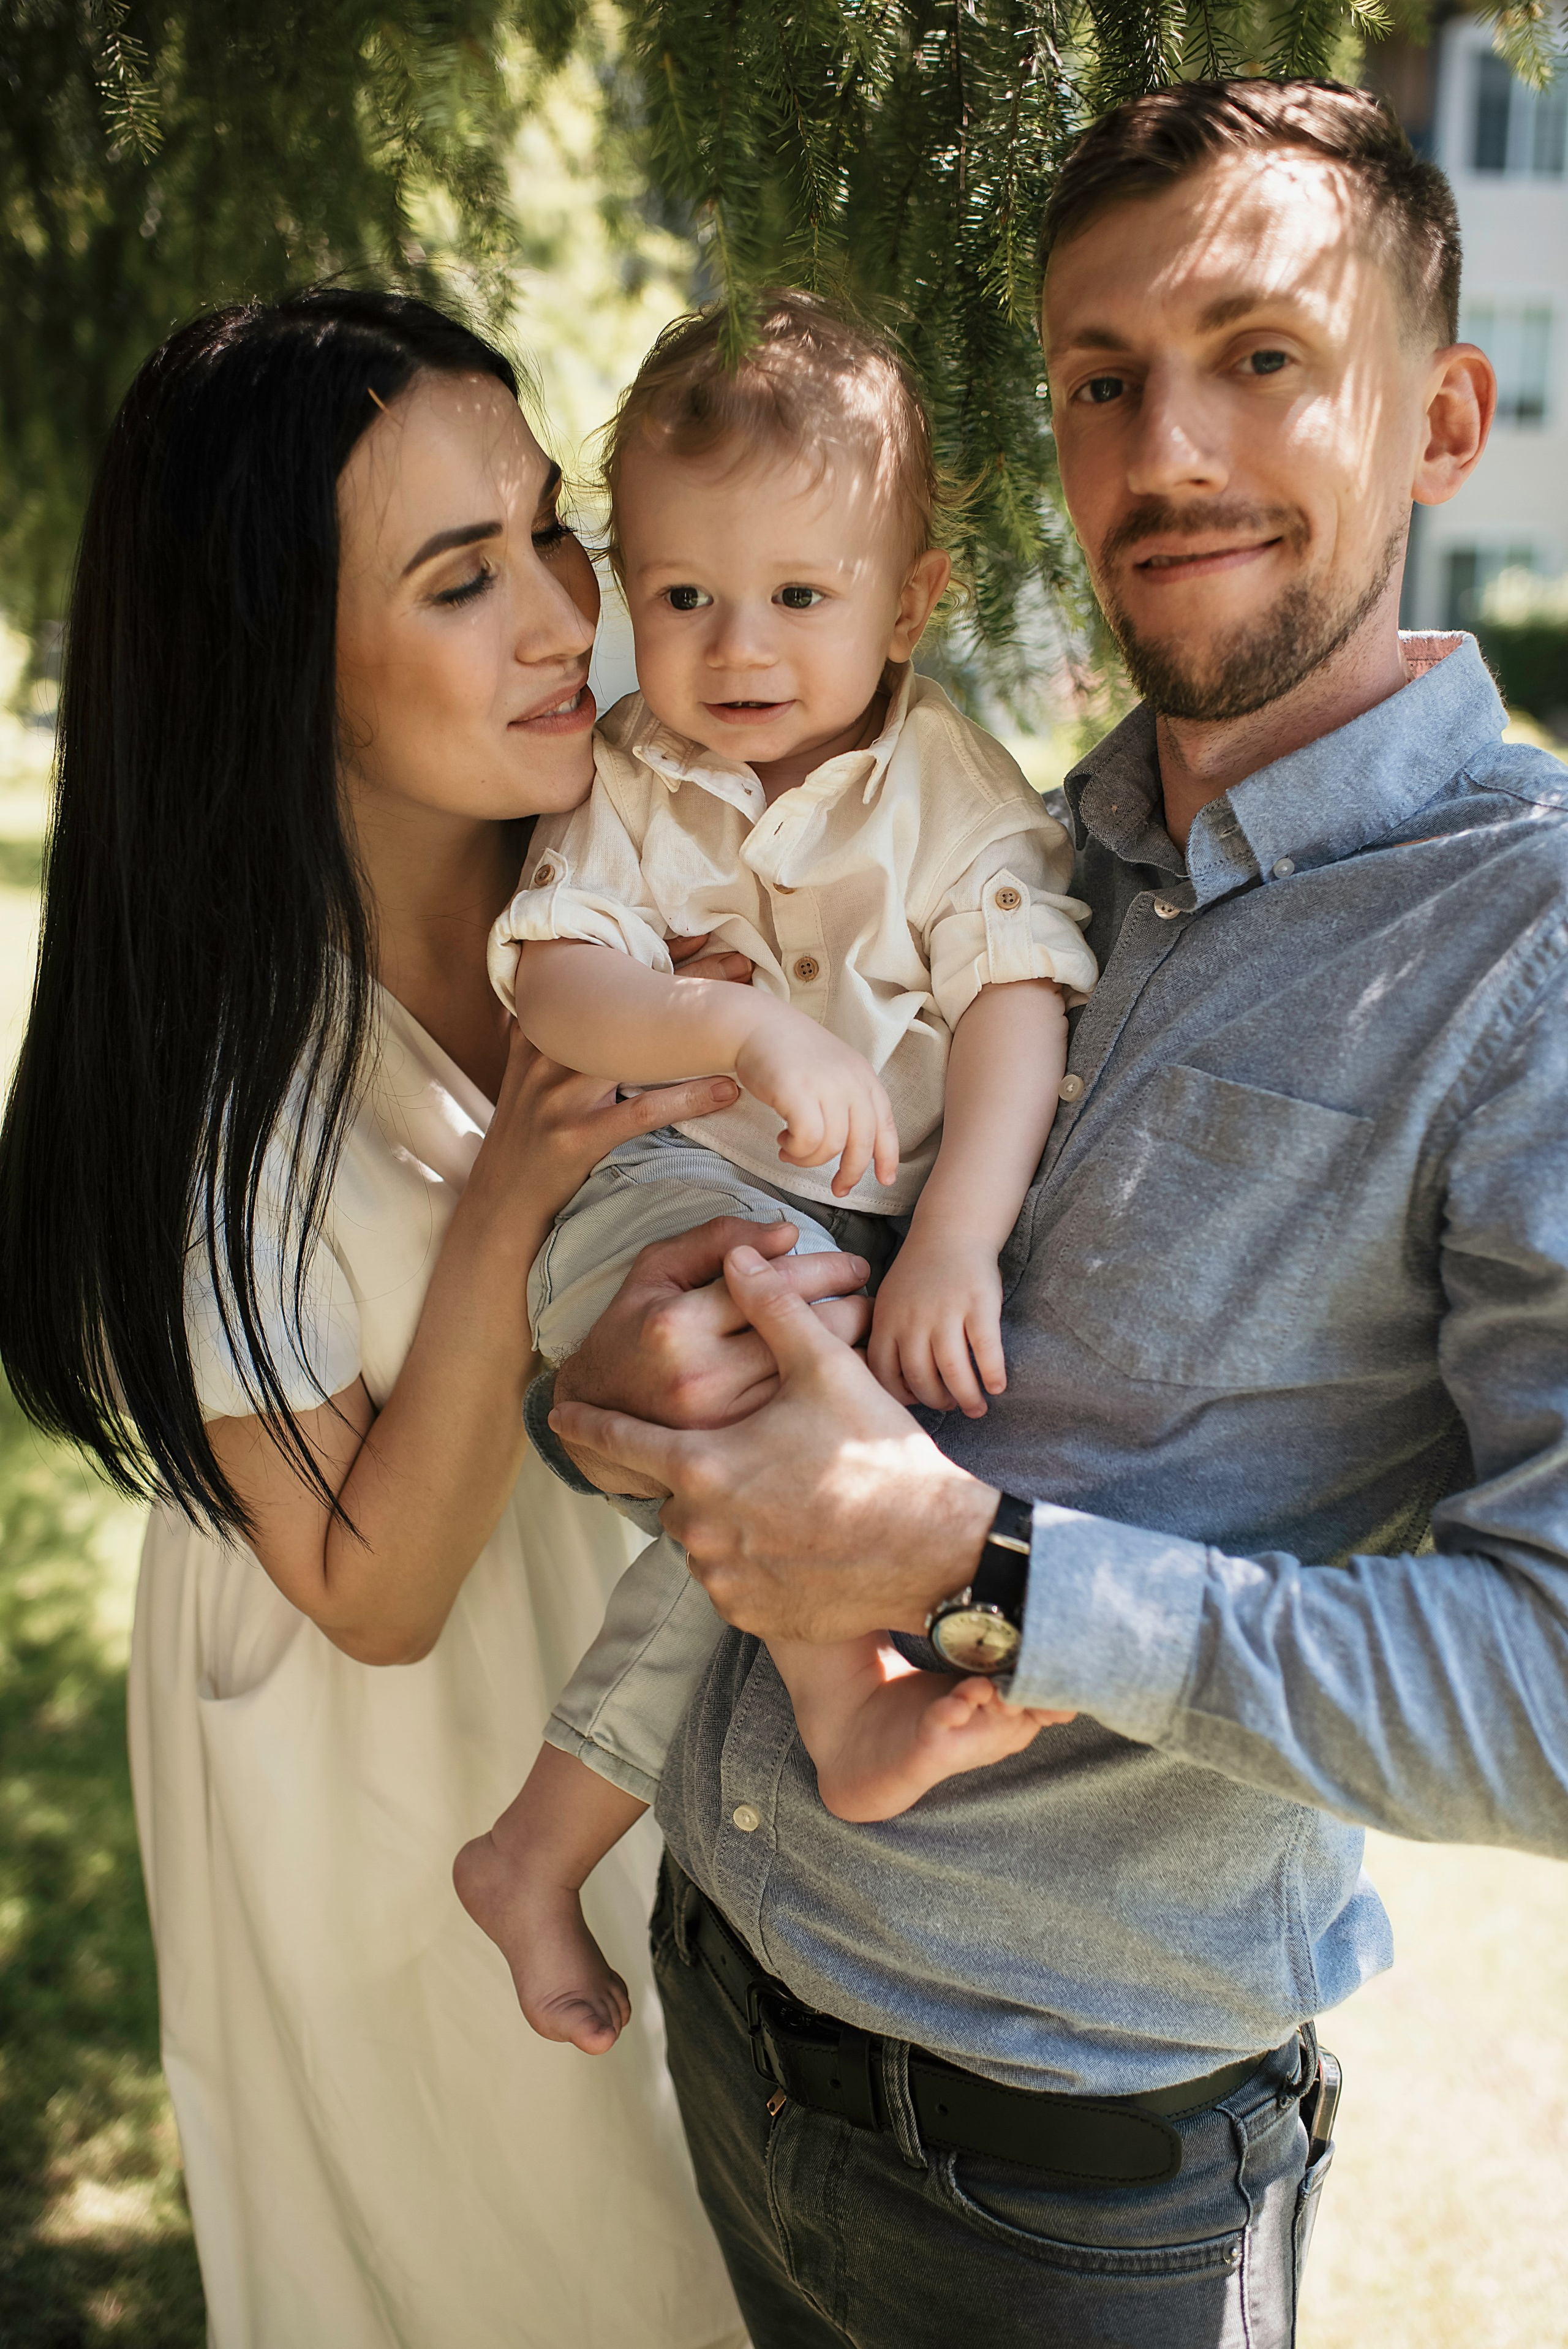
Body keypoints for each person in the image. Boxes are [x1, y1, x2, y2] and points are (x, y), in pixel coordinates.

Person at [522, 80, 1555, 2349]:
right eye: (1106, 381)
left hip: (1078, 2195)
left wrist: (981, 1585)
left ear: (1446, 419)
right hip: (728, 2002)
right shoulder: (992, 831)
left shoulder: (1532, 950)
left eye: (1263, 356)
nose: (1168, 447)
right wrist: (594, 1400)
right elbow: (678, 1232)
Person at [0, 289, 745, 2349]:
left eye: (545, 528)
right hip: (380, 1795)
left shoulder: (619, 884)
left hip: (628, 1731)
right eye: (456, 574)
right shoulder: (227, 1091)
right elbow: (383, 1586)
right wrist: (513, 1192)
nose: (556, 612)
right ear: (284, 667)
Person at [455, 296, 1095, 2054]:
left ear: (909, 599)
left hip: (853, 1239)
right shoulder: (636, 777)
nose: (738, 647)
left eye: (802, 597)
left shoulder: (944, 780)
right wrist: (740, 1039)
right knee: (768, 1356)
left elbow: (1018, 994)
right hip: (651, 1205)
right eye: (682, 598)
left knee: (794, 1462)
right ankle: (822, 1713)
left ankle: (541, 1844)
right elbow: (557, 980)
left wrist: (956, 1238)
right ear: (631, 588)